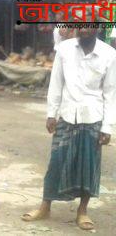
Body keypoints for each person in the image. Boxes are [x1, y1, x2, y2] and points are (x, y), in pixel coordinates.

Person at [21, 25, 116, 230]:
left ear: (98, 27)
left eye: (88, 25)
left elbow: (110, 93)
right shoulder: (64, 49)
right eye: (79, 25)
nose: (83, 29)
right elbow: (56, 83)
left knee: (88, 167)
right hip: (66, 114)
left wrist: (107, 126)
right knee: (56, 162)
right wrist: (51, 114)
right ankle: (45, 207)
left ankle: (82, 212)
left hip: (93, 117)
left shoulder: (109, 54)